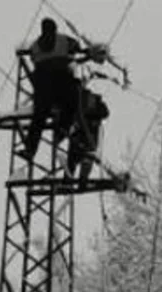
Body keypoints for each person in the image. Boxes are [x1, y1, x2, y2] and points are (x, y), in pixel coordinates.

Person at [27, 17, 81, 145]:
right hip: (61, 82)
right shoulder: (63, 39)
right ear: (55, 28)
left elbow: (32, 58)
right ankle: (61, 131)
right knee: (72, 103)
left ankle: (29, 148)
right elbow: (77, 46)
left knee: (39, 117)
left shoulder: (35, 45)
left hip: (43, 86)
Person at [68, 89, 110, 180]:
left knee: (83, 156)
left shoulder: (96, 104)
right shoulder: (80, 103)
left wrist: (92, 116)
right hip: (82, 135)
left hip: (87, 136)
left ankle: (76, 178)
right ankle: (73, 178)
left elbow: (105, 113)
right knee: (78, 156)